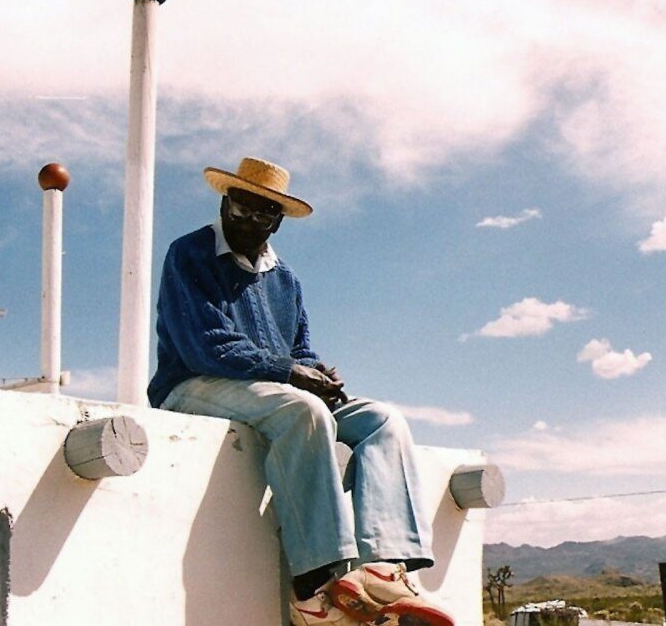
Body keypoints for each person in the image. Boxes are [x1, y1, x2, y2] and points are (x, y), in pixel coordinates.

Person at [148, 157, 455, 626]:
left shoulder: (285, 279)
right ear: (225, 201)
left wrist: (315, 372)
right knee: (306, 410)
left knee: (382, 419)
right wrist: (291, 372)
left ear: (278, 221)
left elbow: (299, 351)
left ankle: (382, 566)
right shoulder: (189, 253)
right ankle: (313, 589)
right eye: (240, 207)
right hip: (193, 386)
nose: (248, 220)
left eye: (262, 214)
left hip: (268, 389)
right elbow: (204, 345)